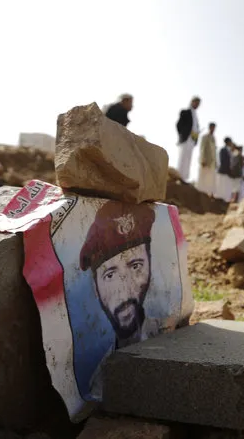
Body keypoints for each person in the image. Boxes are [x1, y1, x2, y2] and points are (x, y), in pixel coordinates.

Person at [79, 201, 159, 348]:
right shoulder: (95, 362)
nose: (124, 292)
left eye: (136, 266)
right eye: (110, 275)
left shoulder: (166, 332)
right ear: (96, 288)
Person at [175, 96, 201, 181]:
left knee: (188, 159)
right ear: (192, 102)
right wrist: (182, 135)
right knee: (182, 158)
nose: (197, 105)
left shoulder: (196, 117)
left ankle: (184, 178)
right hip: (185, 139)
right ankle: (178, 176)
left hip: (192, 140)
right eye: (196, 102)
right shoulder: (185, 112)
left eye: (198, 104)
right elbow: (178, 125)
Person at [196, 122, 217, 196]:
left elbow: (214, 152)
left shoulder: (213, 138)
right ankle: (199, 193)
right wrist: (202, 160)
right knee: (203, 178)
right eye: (212, 127)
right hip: (205, 161)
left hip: (211, 163)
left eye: (214, 128)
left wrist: (216, 162)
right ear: (210, 127)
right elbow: (202, 149)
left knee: (210, 179)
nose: (213, 129)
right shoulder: (205, 137)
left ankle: (207, 194)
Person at [216, 137, 235, 202]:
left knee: (226, 189)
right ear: (227, 142)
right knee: (221, 188)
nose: (231, 143)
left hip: (228, 173)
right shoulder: (223, 150)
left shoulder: (230, 151)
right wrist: (228, 171)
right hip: (223, 172)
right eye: (230, 142)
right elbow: (223, 162)